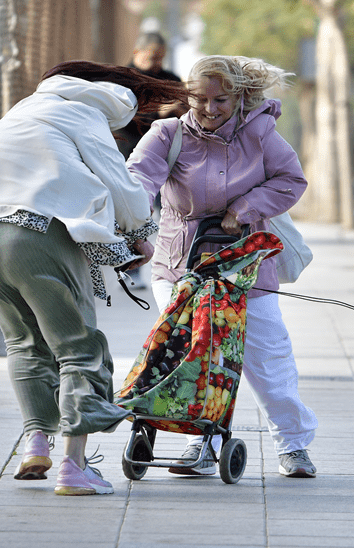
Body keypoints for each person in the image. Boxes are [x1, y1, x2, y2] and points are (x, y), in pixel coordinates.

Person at [0, 60, 191, 495]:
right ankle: (74, 468)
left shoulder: (17, 113)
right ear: (117, 97)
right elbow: (120, 186)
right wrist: (141, 235)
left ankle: (35, 443)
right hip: (33, 233)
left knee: (23, 343)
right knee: (78, 347)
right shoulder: (86, 112)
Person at [126, 55, 319, 478]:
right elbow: (137, 179)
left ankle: (293, 443)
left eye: (221, 100)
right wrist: (132, 219)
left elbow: (291, 180)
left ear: (239, 96)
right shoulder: (168, 134)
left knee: (268, 359)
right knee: (198, 354)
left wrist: (247, 207)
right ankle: (204, 439)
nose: (210, 109)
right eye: (200, 100)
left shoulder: (260, 133)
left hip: (245, 265)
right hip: (180, 264)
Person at [114, 31, 188, 289]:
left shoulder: (170, 79)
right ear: (137, 53)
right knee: (133, 211)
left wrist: (179, 110)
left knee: (172, 209)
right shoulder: (122, 79)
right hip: (131, 152)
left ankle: (177, 266)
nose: (157, 63)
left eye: (160, 58)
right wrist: (159, 112)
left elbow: (188, 110)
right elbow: (123, 117)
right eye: (152, 57)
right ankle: (130, 268)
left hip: (167, 156)